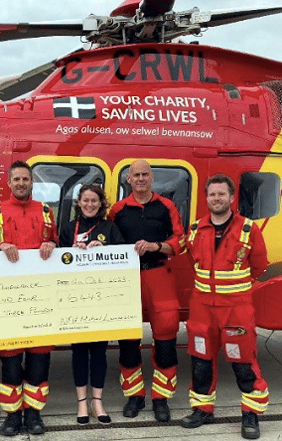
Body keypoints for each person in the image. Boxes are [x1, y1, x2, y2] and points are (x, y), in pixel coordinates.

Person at [181, 174, 269, 440]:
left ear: (231, 198)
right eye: (212, 194)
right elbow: (191, 262)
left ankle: (250, 414)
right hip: (202, 309)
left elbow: (259, 265)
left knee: (243, 364)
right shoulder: (196, 228)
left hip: (236, 309)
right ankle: (202, 410)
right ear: (206, 198)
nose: (216, 199)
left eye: (221, 194)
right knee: (200, 362)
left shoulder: (248, 229)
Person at [0, 160, 58, 436]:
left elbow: (57, 245)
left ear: (32, 182)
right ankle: (12, 416)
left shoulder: (46, 211)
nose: (21, 183)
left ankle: (34, 414)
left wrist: (52, 245)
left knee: (39, 359)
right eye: (17, 179)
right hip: (8, 299)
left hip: (40, 298)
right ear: (9, 182)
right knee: (10, 361)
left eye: (26, 179)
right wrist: (0, 245)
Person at [107, 159, 185, 422]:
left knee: (165, 336)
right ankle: (135, 395)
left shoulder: (167, 206)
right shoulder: (117, 210)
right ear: (128, 179)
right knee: (128, 340)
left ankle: (161, 398)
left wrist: (156, 246)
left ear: (152, 178)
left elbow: (180, 241)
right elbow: (107, 239)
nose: (140, 179)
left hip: (159, 274)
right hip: (127, 279)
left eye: (145, 174)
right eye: (135, 175)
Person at [58, 183, 124, 425]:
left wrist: (104, 248)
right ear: (79, 202)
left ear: (100, 203)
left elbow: (124, 258)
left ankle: (97, 401)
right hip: (75, 299)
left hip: (102, 299)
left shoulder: (110, 227)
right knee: (78, 350)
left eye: (94, 200)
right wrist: (72, 252)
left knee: (98, 351)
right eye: (85, 200)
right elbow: (58, 261)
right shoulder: (68, 228)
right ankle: (81, 403)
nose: (89, 204)